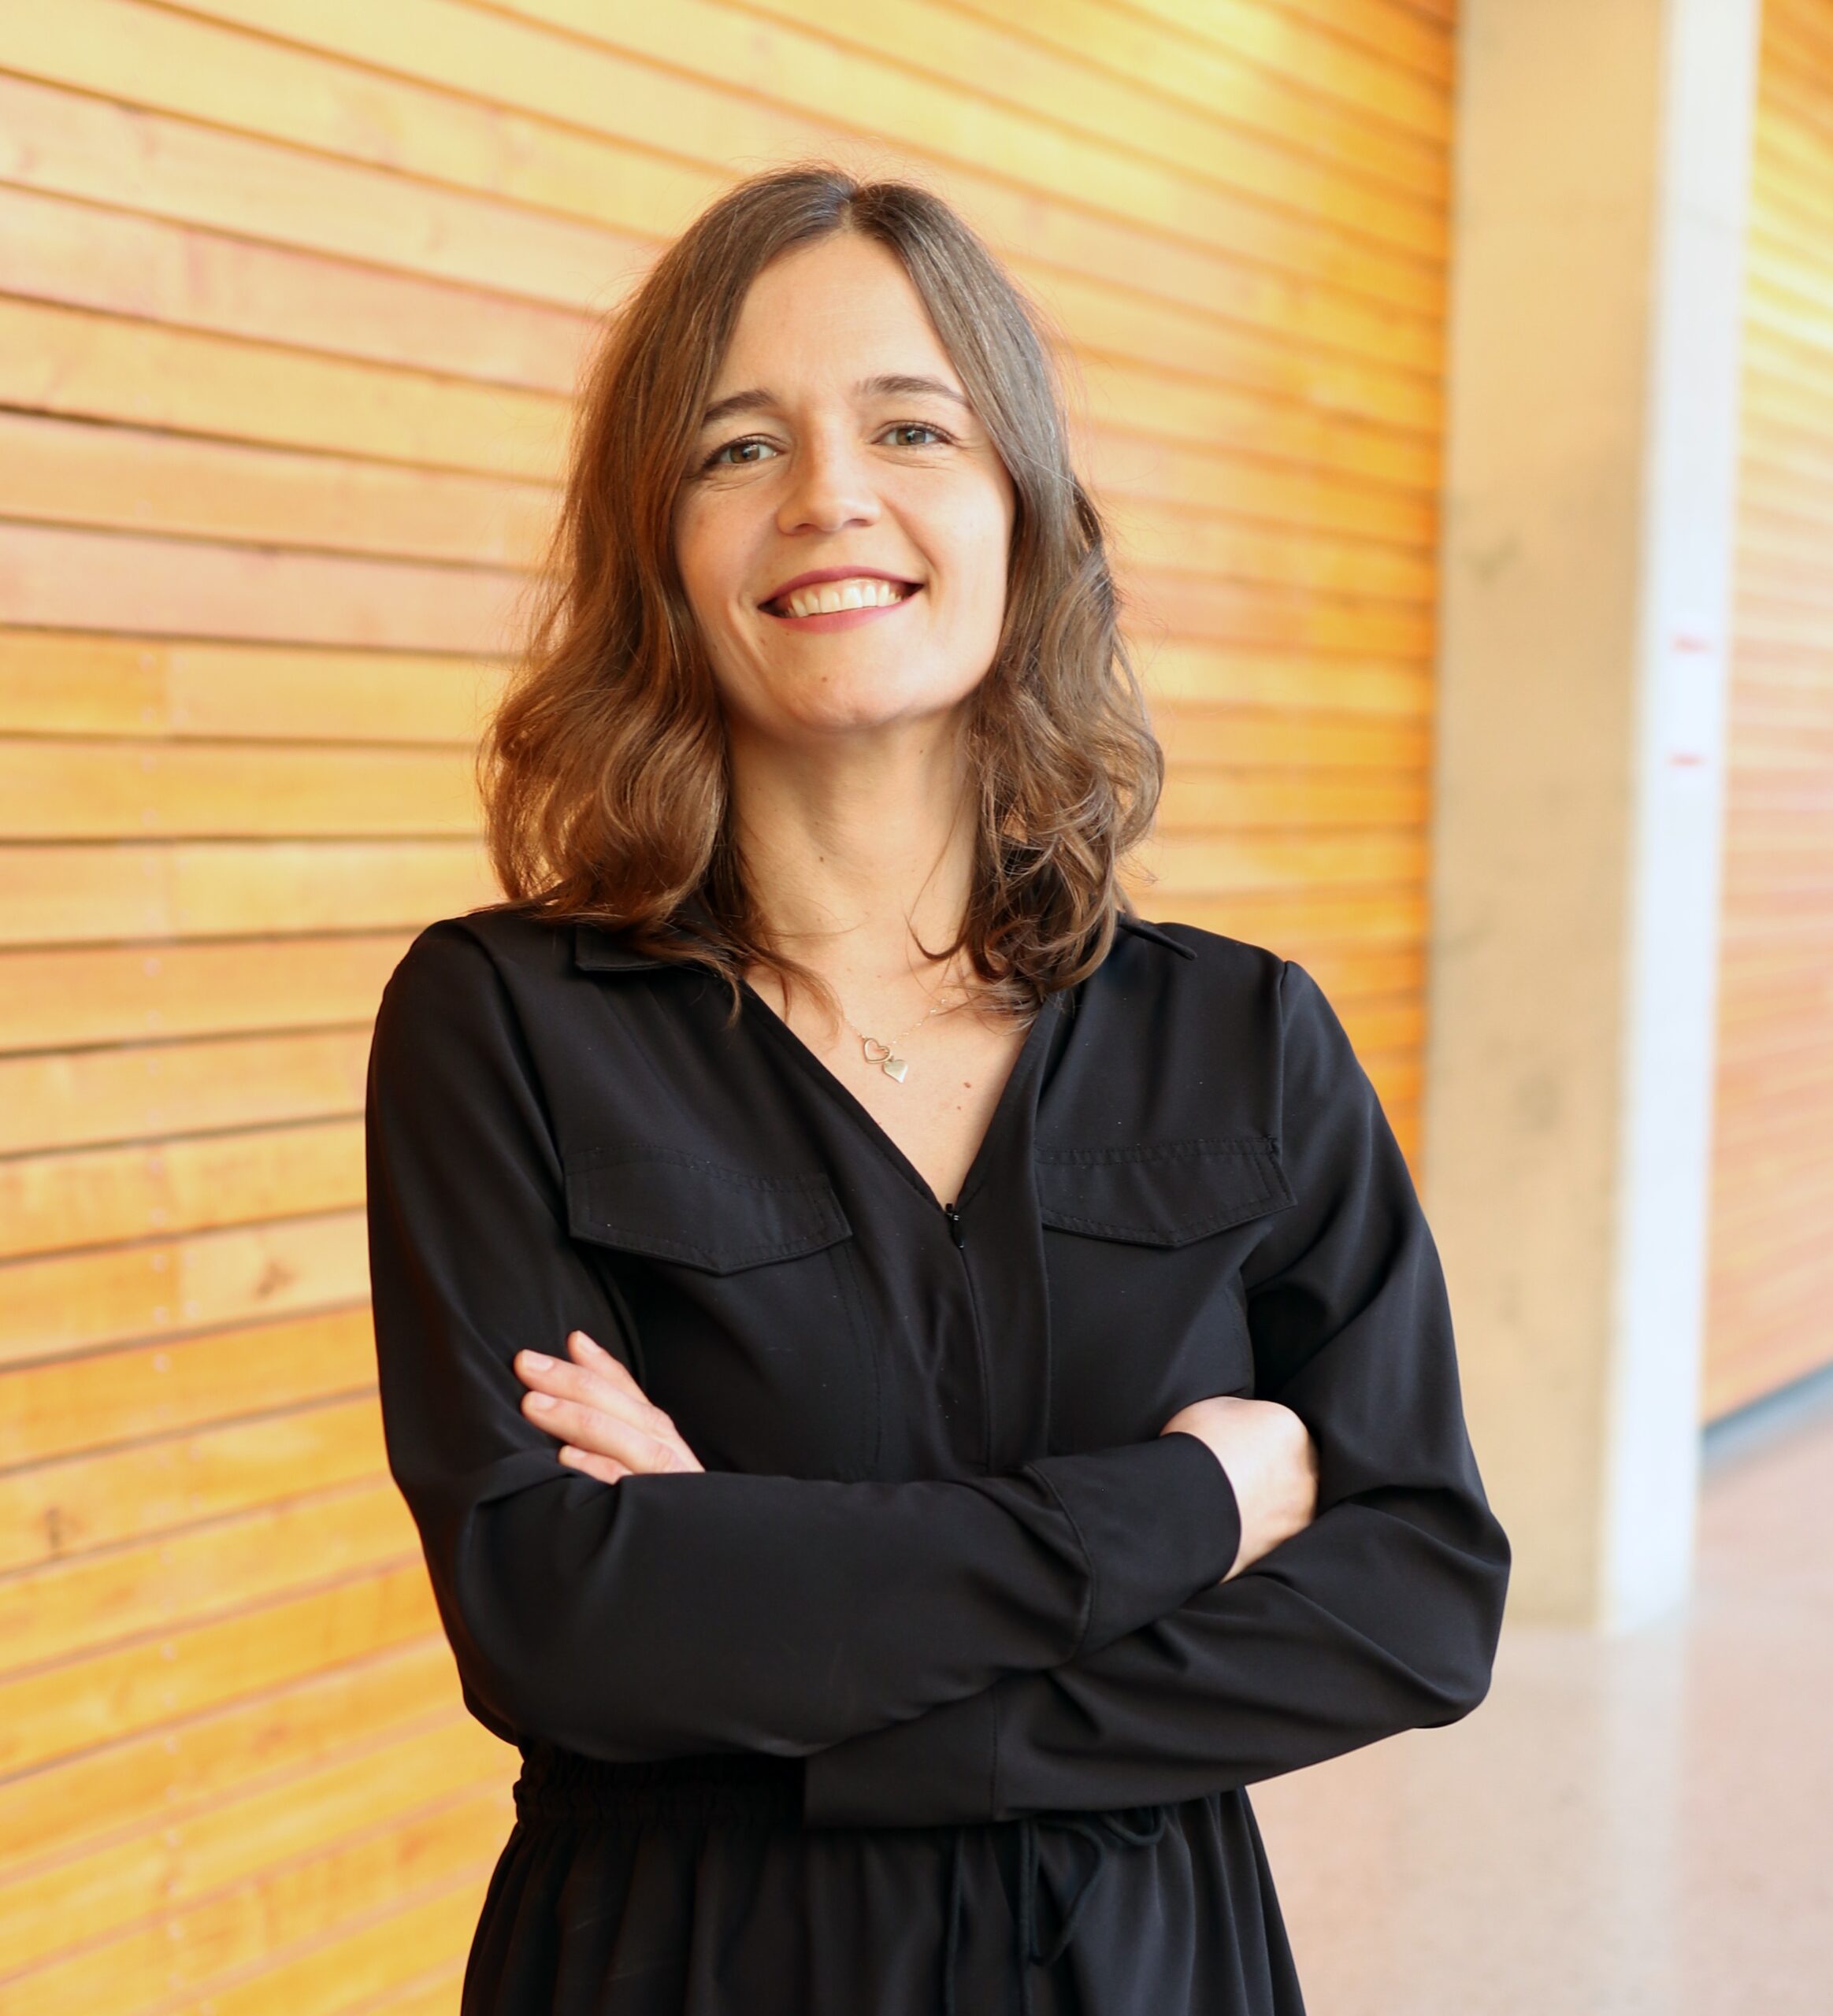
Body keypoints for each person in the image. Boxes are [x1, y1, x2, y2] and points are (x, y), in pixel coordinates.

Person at [365, 165, 1510, 2016]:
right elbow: (563, 1616)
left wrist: (797, 1648)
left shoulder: (1243, 1036)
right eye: (737, 447)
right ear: (658, 543)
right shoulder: (502, 1025)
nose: (831, 493)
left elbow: (1418, 1596)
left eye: (913, 425)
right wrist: (1191, 1504)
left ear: (1024, 513)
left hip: (1150, 1967)